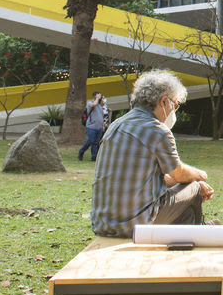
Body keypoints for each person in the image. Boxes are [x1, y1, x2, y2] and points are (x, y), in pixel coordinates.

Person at [91, 70, 213, 238]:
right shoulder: (156, 129)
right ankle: (201, 232)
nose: (174, 111)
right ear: (164, 101)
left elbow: (148, 179)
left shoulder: (116, 125)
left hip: (103, 224)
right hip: (136, 226)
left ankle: (191, 231)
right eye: (175, 105)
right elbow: (179, 174)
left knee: (186, 202)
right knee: (193, 187)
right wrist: (200, 176)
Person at [78, 91, 108, 161]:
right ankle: (81, 151)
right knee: (91, 141)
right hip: (91, 126)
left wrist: (102, 126)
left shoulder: (100, 106)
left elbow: (101, 116)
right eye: (98, 96)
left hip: (99, 127)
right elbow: (94, 105)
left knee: (96, 142)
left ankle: (94, 157)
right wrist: (97, 98)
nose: (100, 97)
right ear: (94, 96)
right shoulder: (90, 103)